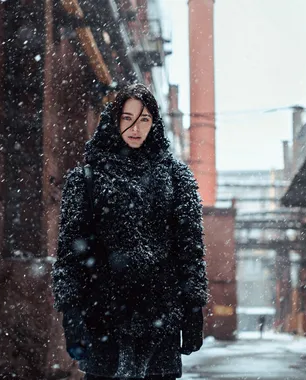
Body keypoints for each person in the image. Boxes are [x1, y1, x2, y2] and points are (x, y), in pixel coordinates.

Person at [52, 83, 208, 380]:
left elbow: (191, 251)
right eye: (128, 118)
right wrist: (71, 314)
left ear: (155, 124)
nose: (136, 128)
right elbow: (69, 255)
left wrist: (192, 309)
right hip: (103, 320)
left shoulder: (177, 178)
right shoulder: (86, 179)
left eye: (144, 119)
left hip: (159, 321)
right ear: (115, 120)